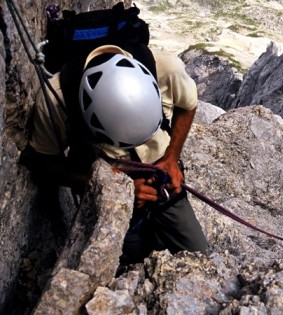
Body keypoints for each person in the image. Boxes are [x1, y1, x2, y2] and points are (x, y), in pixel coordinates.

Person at [23, 43, 209, 263]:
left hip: (161, 175)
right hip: (107, 188)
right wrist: (115, 189)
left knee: (200, 257)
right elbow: (42, 161)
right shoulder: (56, 99)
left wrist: (171, 158)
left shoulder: (166, 69)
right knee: (130, 259)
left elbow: (187, 105)